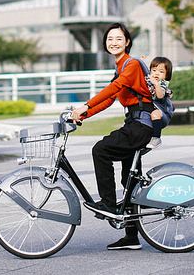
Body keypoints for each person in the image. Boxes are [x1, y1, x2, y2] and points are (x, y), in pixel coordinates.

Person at [71, 22, 154, 251]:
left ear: (127, 42)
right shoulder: (120, 67)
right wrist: (82, 115)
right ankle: (131, 236)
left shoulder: (132, 64)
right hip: (135, 123)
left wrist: (85, 105)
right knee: (130, 180)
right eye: (109, 39)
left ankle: (108, 203)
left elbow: (116, 87)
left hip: (140, 125)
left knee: (101, 150)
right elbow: (109, 99)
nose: (113, 42)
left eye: (118, 38)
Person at [145, 56, 173, 149]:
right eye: (154, 70)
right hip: (148, 108)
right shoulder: (148, 80)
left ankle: (156, 138)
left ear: (166, 75)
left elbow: (160, 95)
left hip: (161, 110)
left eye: (161, 72)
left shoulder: (162, 83)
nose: (157, 73)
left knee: (155, 114)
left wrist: (156, 84)